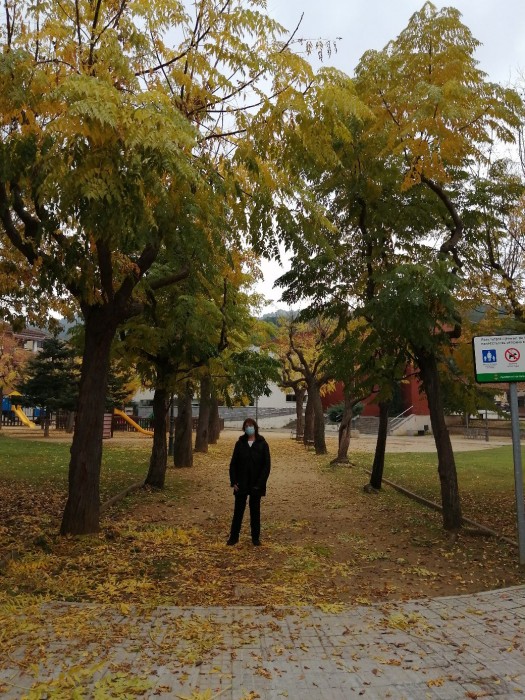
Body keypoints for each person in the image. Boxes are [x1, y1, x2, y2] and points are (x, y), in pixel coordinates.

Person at [227, 418, 271, 546]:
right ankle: (234, 537)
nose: (248, 428)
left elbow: (266, 466)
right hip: (241, 483)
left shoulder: (263, 444)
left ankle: (255, 538)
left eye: (250, 425)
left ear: (255, 427)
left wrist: (261, 483)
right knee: (238, 511)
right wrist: (234, 481)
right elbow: (233, 464)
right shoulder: (240, 443)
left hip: (256, 484)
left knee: (255, 511)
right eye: (246, 426)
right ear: (244, 428)